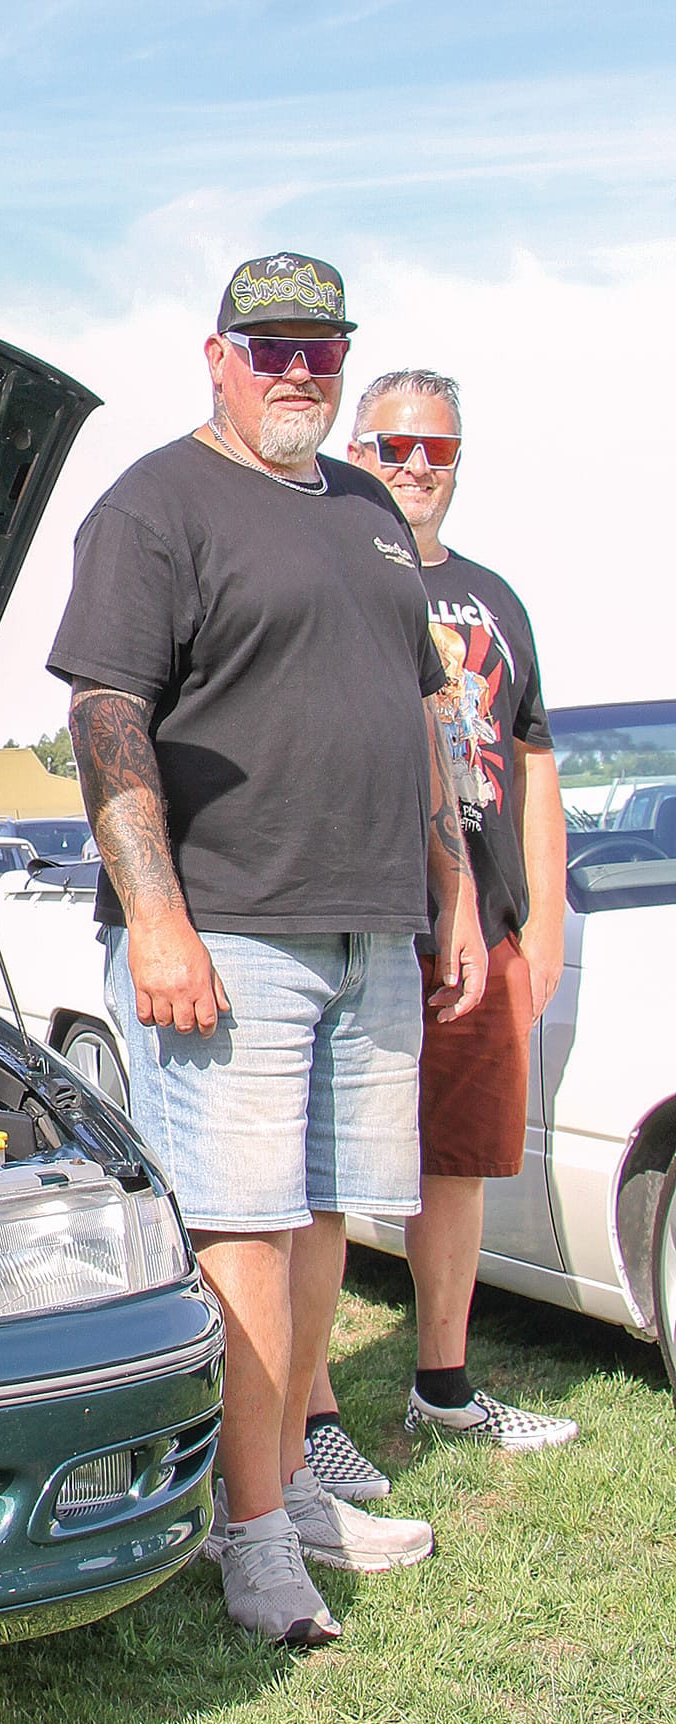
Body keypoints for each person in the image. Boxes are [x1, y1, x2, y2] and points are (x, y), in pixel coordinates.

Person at [49, 254, 487, 1645]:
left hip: (372, 923)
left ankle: (288, 1479)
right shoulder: (155, 503)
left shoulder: (365, 508)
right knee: (238, 1229)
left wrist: (455, 886)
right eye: (273, 345)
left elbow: (420, 711)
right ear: (217, 353)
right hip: (228, 934)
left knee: (319, 1221)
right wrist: (162, 919)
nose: (301, 369)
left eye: (322, 346)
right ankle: (245, 1541)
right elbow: (109, 718)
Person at [293, 371, 577, 1502]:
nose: (415, 465)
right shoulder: (328, 570)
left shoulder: (493, 598)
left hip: (483, 929)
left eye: (437, 449)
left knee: (452, 1168)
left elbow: (537, 757)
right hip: (364, 914)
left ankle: (443, 1388)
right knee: (311, 1174)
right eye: (394, 443)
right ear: (356, 448)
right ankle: (308, 1411)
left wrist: (542, 926)